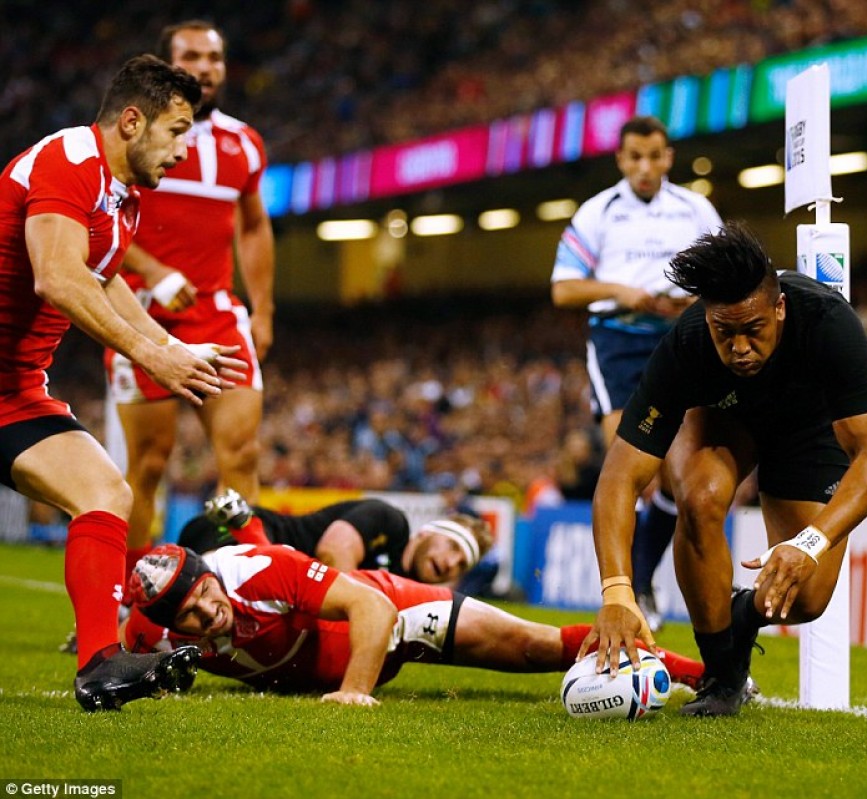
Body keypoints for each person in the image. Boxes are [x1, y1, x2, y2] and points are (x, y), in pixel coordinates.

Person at [0, 54, 249, 711]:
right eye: (177, 131)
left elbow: (105, 279)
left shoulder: (123, 200)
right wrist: (148, 355)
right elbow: (58, 275)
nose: (184, 150)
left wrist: (171, 348)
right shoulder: (68, 161)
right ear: (132, 122)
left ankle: (100, 665)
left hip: (14, 391)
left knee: (105, 492)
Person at [581, 223, 867, 716]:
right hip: (726, 419)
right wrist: (618, 592)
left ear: (780, 308)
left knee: (807, 600)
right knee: (699, 496)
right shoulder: (686, 344)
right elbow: (620, 476)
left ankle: (739, 614)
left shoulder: (829, 322)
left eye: (753, 330)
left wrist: (809, 543)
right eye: (724, 333)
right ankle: (722, 676)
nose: (740, 347)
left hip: (809, 428)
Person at [121, 542, 705, 706]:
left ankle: (699, 675)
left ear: (210, 574)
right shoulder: (149, 633)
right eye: (191, 614)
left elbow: (371, 610)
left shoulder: (261, 570)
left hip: (394, 611)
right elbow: (119, 652)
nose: (208, 612)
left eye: (205, 594)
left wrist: (353, 692)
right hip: (327, 658)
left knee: (536, 647)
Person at [106, 20, 275, 578]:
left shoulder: (244, 144)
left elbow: (254, 226)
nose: (205, 67)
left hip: (217, 313)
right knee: (149, 463)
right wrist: (153, 271)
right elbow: (98, 213)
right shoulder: (133, 133)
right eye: (192, 56)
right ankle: (130, 594)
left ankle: (238, 586)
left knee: (242, 453)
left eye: (214, 57)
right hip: (138, 313)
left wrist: (264, 308)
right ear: (167, 65)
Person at [550, 115, 722, 632]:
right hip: (619, 341)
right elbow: (563, 288)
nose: (645, 167)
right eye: (635, 157)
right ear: (621, 160)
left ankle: (642, 580)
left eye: (654, 156)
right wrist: (621, 291)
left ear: (668, 157)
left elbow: (727, 276)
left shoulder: (695, 209)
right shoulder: (598, 211)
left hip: (679, 339)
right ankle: (624, 592)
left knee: (676, 475)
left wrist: (692, 299)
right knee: (628, 467)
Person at [179, 489, 492, 585]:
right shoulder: (391, 522)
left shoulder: (407, 588)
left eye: (461, 564)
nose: (450, 563)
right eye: (452, 547)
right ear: (427, 532)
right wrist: (359, 609)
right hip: (231, 534)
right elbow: (332, 552)